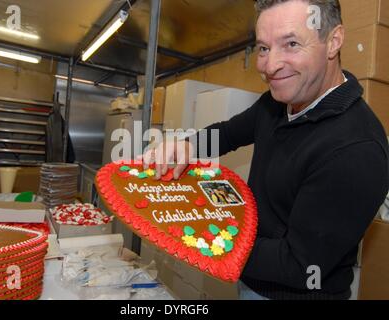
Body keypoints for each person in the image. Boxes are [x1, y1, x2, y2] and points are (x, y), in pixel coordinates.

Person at [142, 0, 389, 300]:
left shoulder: (356, 149)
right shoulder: (280, 100)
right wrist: (187, 145)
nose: (270, 67)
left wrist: (203, 235)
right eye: (263, 48)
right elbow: (230, 133)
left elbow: (300, 265)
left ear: (333, 41)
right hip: (252, 280)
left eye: (291, 44)